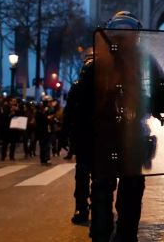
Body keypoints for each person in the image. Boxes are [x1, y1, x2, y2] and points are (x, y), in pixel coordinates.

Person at [86, 10, 164, 242]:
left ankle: (100, 234)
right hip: (133, 133)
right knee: (130, 189)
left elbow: (81, 104)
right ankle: (126, 236)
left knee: (101, 188)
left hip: (104, 135)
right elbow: (163, 97)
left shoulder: (96, 63)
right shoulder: (147, 60)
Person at [66, 48, 94, 225]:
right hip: (89, 135)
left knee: (84, 173)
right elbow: (69, 114)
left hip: (87, 136)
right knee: (86, 173)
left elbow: (68, 115)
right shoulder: (78, 87)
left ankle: (82, 207)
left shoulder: (77, 86)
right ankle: (83, 206)